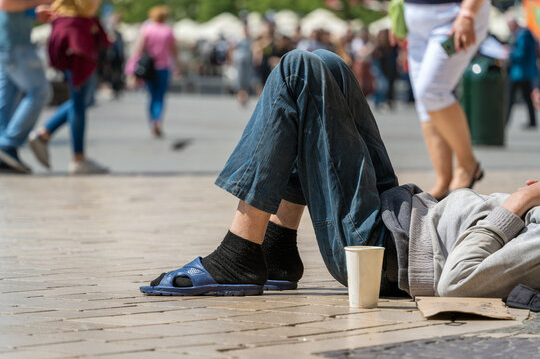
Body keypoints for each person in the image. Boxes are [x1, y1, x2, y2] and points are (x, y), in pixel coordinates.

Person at [141, 49, 539, 299]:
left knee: (298, 72)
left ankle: (240, 252)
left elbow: (461, 282)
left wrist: (518, 204)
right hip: (405, 213)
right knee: (330, 65)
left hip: (383, 251)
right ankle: (277, 249)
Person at [401, 0, 490, 200]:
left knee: (432, 91)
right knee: (425, 103)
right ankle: (443, 181)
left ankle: (468, 164)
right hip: (414, 18)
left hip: (454, 16)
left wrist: (467, 13)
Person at [28, 0, 110, 174]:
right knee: (79, 103)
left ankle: (44, 134)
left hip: (75, 28)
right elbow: (88, 4)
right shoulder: (73, 23)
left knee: (83, 101)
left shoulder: (73, 21)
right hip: (74, 36)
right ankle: (78, 159)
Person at [0, 0, 53, 174]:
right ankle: (8, 144)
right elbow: (6, 3)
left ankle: (5, 154)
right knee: (40, 91)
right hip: (16, 45)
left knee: (7, 98)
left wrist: (35, 13)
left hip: (9, 43)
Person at [126, 6, 180, 138]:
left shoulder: (147, 29)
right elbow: (174, 51)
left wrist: (131, 66)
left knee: (151, 96)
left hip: (149, 67)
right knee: (160, 97)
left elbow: (138, 49)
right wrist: (177, 66)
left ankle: (152, 122)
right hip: (164, 67)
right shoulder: (168, 31)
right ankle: (157, 120)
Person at [506, 18, 538, 130]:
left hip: (520, 73)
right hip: (522, 72)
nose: (508, 28)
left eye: (509, 25)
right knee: (526, 97)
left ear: (513, 24)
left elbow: (521, 54)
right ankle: (532, 121)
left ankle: (505, 121)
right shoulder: (522, 34)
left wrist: (509, 54)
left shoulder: (523, 35)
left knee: (510, 97)